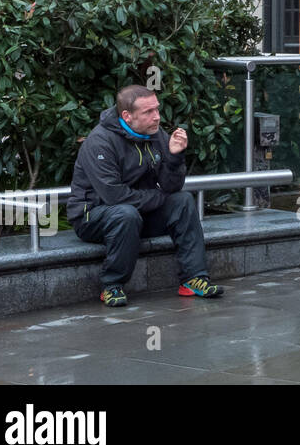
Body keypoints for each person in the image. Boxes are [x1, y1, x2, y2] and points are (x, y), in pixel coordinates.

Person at [67, 86, 225, 306]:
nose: (157, 117)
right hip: (92, 216)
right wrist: (159, 197)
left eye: (157, 109)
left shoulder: (155, 134)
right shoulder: (100, 142)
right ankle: (112, 286)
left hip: (137, 212)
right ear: (127, 116)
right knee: (125, 214)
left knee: (183, 202)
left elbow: (172, 188)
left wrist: (174, 157)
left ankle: (194, 278)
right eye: (148, 112)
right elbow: (114, 196)